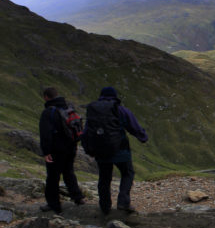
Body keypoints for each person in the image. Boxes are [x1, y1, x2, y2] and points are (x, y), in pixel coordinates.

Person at [91, 87, 148, 215]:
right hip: (120, 150)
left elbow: (87, 131)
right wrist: (143, 137)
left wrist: (90, 148)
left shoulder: (94, 111)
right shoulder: (120, 109)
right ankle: (123, 202)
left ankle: (105, 207)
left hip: (101, 151)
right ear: (114, 96)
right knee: (127, 173)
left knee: (104, 178)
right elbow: (133, 126)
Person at [38, 87, 86, 213]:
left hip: (56, 150)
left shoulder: (48, 112)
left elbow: (45, 134)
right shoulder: (67, 108)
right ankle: (78, 198)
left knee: (53, 177)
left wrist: (46, 151)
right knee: (69, 172)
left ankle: (54, 205)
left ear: (46, 97)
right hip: (71, 147)